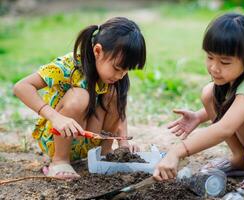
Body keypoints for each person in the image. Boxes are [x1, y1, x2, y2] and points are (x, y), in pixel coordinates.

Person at [153, 13, 244, 195]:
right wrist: (199, 116)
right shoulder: (233, 75)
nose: (214, 67)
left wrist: (176, 152)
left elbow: (225, 128)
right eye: (210, 57)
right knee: (209, 93)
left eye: (224, 62)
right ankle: (240, 159)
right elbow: (230, 102)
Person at [13, 17, 146, 180]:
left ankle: (105, 154)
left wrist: (123, 144)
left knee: (115, 94)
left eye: (126, 71)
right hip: (57, 136)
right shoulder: (68, 66)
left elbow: (119, 109)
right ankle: (60, 161)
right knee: (81, 97)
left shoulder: (115, 78)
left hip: (90, 140)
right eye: (117, 68)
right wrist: (56, 118)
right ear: (98, 51)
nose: (120, 75)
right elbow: (21, 87)